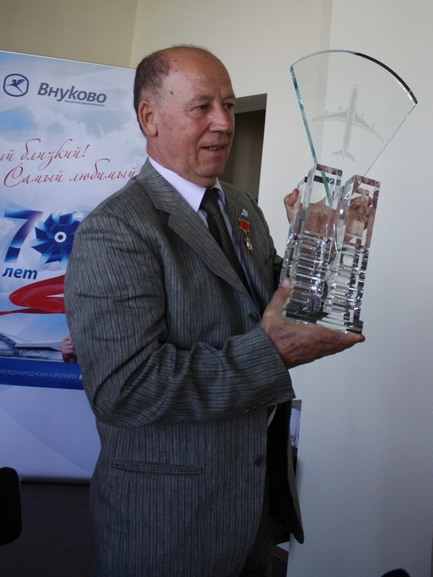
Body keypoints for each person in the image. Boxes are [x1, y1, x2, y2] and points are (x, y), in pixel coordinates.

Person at [64, 45, 364, 577]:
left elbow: (267, 301)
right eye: (202, 106)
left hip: (255, 506)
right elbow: (124, 390)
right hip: (169, 525)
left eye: (228, 104)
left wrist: (314, 246)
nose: (225, 123)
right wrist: (269, 354)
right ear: (149, 117)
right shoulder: (116, 229)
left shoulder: (241, 206)